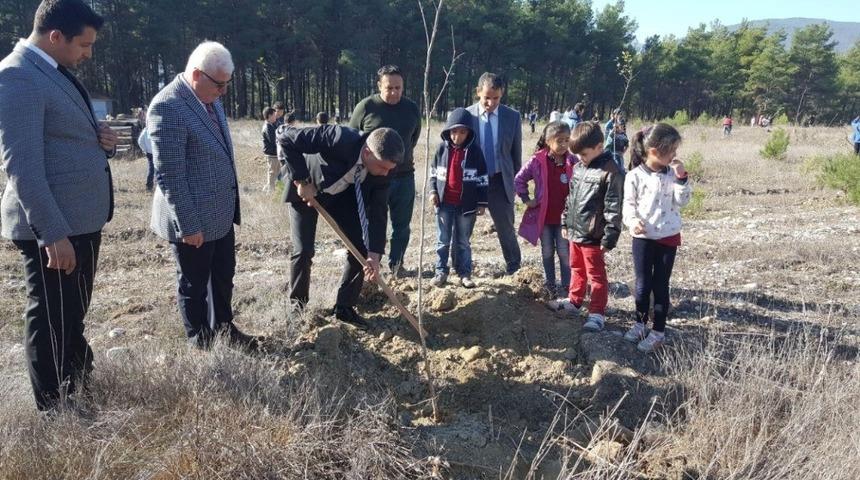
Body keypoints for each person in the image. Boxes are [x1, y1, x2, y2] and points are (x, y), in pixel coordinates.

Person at [0, 0, 117, 411]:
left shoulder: (53, 73)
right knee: (51, 319)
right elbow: (22, 166)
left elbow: (60, 139)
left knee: (71, 316)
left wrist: (102, 140)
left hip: (80, 222)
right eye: (84, 45)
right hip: (56, 229)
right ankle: (55, 410)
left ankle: (77, 388)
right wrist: (52, 232)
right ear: (55, 37)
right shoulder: (17, 77)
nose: (88, 54)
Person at [148, 41, 259, 351]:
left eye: (226, 84)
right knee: (195, 283)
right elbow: (169, 173)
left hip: (219, 213)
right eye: (220, 85)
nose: (223, 92)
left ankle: (224, 326)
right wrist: (188, 224)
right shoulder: (168, 106)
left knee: (223, 276)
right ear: (197, 75)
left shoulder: (209, 99)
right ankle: (201, 342)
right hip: (193, 218)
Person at [280, 125, 404, 329]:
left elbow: (378, 212)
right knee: (303, 251)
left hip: (342, 194)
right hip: (308, 187)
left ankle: (344, 308)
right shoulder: (338, 138)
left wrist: (374, 253)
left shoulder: (387, 168)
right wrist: (301, 180)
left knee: (361, 250)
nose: (385, 174)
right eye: (382, 167)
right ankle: (297, 308)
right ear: (367, 152)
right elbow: (287, 139)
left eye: (389, 169)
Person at [622, 123, 690, 353]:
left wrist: (682, 179)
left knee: (661, 286)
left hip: (668, 238)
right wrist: (632, 222)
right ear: (653, 150)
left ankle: (658, 331)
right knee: (642, 285)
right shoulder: (634, 176)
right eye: (670, 151)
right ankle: (640, 323)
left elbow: (683, 201)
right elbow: (628, 206)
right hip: (643, 239)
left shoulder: (672, 173)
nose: (674, 155)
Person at [549, 121, 622, 332]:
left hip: (594, 235)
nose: (580, 158)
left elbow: (613, 208)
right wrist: (565, 221)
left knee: (596, 276)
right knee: (576, 268)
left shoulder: (611, 171)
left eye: (584, 154)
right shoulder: (579, 168)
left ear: (599, 147)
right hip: (575, 232)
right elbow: (570, 198)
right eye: (578, 155)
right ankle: (574, 301)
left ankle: (597, 313)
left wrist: (610, 236)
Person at [350, 65, 421, 278]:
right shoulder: (366, 107)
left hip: (404, 176)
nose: (394, 92)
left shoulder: (411, 109)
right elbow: (353, 138)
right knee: (372, 223)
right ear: (379, 85)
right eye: (389, 88)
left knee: (402, 225)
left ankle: (397, 265)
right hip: (373, 178)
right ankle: (371, 267)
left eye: (399, 88)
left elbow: (413, 139)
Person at [466, 72, 523, 275]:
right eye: (486, 97)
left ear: (502, 94)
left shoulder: (512, 117)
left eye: (496, 98)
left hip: (500, 180)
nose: (491, 102)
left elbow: (516, 155)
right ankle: (461, 268)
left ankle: (514, 267)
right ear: (478, 92)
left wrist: (515, 183)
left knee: (506, 228)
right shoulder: (467, 115)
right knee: (464, 227)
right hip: (472, 182)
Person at [515, 121, 576, 298]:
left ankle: (567, 286)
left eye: (567, 140)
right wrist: (527, 199)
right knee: (547, 250)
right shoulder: (537, 160)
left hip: (565, 219)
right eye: (560, 141)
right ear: (548, 141)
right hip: (545, 217)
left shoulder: (573, 161)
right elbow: (519, 180)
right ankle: (550, 284)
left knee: (565, 253)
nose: (564, 144)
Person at [428, 108, 488, 289]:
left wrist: (482, 202)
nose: (457, 136)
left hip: (466, 205)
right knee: (443, 240)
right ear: (448, 131)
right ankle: (441, 271)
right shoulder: (441, 149)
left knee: (463, 241)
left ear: (469, 132)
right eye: (453, 132)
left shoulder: (475, 152)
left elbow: (483, 178)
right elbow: (432, 173)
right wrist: (433, 192)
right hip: (445, 203)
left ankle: (464, 273)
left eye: (462, 132)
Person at [261, 107, 279, 192]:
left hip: (273, 153)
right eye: (274, 115)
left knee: (274, 172)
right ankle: (270, 191)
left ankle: (268, 188)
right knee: (272, 172)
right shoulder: (268, 127)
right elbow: (273, 140)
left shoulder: (271, 125)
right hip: (272, 154)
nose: (275, 117)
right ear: (269, 116)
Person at [138, 125, 155, 191]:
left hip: (149, 152)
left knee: (151, 169)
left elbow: (140, 141)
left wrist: (145, 150)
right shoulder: (157, 127)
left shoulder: (145, 130)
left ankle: (149, 186)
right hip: (155, 152)